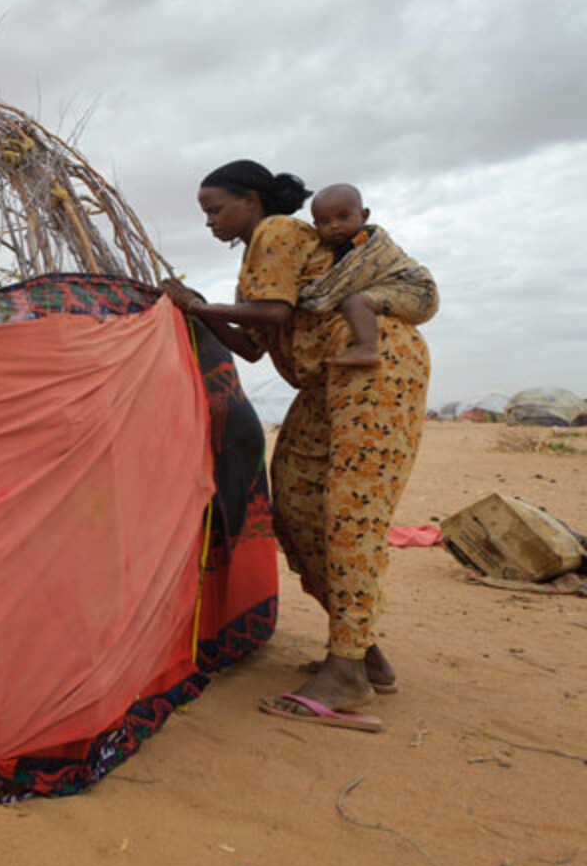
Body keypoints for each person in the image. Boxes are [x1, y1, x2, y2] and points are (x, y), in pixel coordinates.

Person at [160, 159, 429, 733]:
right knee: (299, 509)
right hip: (325, 381)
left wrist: (195, 306)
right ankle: (359, 650)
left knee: (348, 515)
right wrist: (199, 309)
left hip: (376, 370)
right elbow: (257, 345)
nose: (209, 221)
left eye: (215, 208)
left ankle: (347, 674)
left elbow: (275, 313)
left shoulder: (277, 231)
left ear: (252, 201)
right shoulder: (260, 253)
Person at [302, 183, 438, 368]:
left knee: (354, 302)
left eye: (343, 217)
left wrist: (306, 296)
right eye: (325, 222)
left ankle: (367, 349)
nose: (334, 226)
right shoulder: (333, 250)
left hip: (417, 290)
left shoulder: (368, 244)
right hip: (393, 290)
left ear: (364, 215)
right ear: (315, 225)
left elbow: (344, 283)